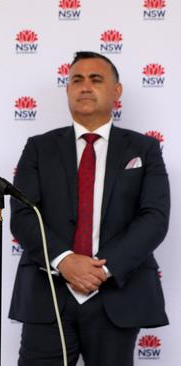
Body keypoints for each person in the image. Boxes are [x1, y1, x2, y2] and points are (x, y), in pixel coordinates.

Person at [9, 51, 169, 365]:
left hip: (117, 293)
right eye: (76, 80)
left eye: (96, 79)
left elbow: (154, 218)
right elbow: (25, 215)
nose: (85, 87)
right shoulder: (38, 147)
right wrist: (65, 260)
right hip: (49, 293)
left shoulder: (144, 149)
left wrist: (103, 269)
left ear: (116, 90)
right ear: (67, 89)